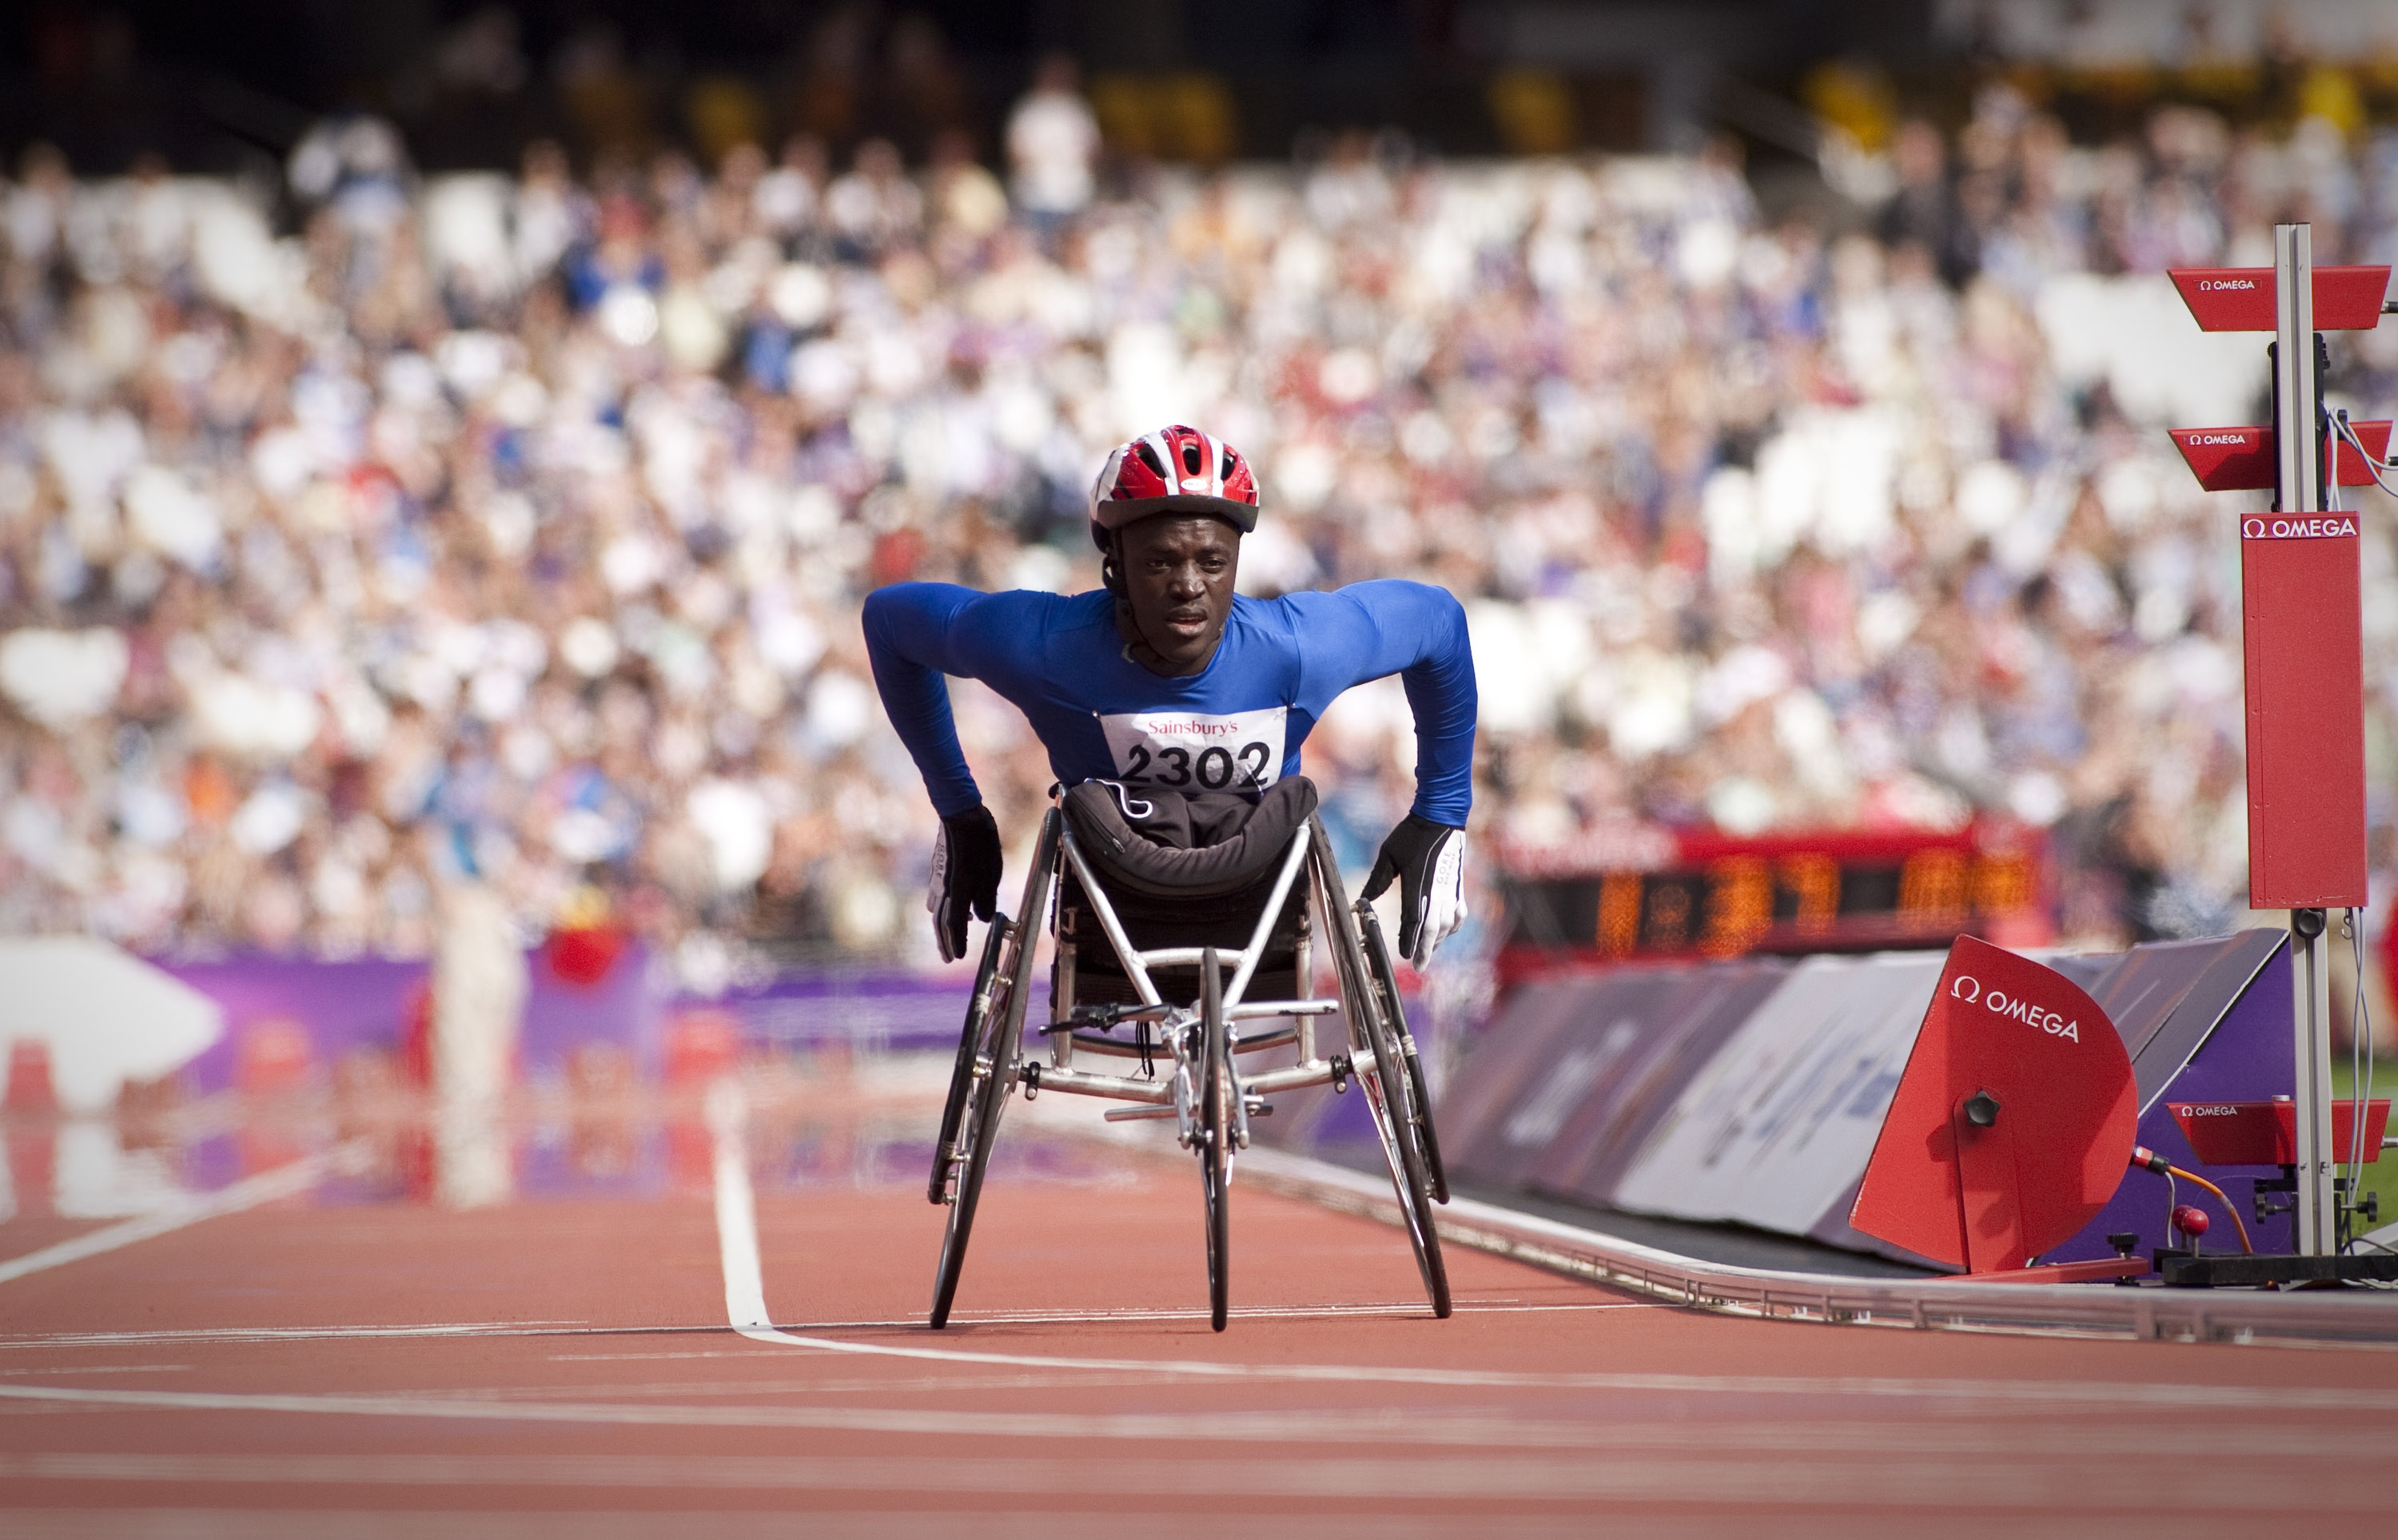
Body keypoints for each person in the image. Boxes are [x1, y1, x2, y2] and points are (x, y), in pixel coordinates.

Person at [863, 424, 1477, 970]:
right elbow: (888, 621)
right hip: (1109, 906)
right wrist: (960, 809)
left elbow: (1442, 623)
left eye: (1213, 561)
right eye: (1160, 561)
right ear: (1115, 561)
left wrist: (1442, 816)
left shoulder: (1297, 648)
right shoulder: (1044, 645)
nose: (1189, 586)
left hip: (1262, 900)